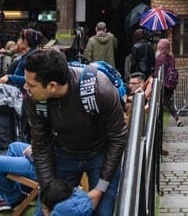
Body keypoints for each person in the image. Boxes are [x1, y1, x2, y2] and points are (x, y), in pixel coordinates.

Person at [23, 49, 127, 216]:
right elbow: (41, 144)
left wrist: (100, 188)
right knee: (46, 211)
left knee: (103, 211)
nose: (25, 87)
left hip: (101, 154)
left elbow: (118, 138)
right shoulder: (34, 99)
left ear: (52, 86)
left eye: (31, 84)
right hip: (64, 153)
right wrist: (50, 194)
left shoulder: (100, 90)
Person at [153, 37, 183, 126]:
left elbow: (157, 71)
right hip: (170, 83)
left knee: (159, 101)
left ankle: (157, 122)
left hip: (162, 83)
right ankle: (177, 118)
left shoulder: (159, 58)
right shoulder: (171, 56)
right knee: (168, 102)